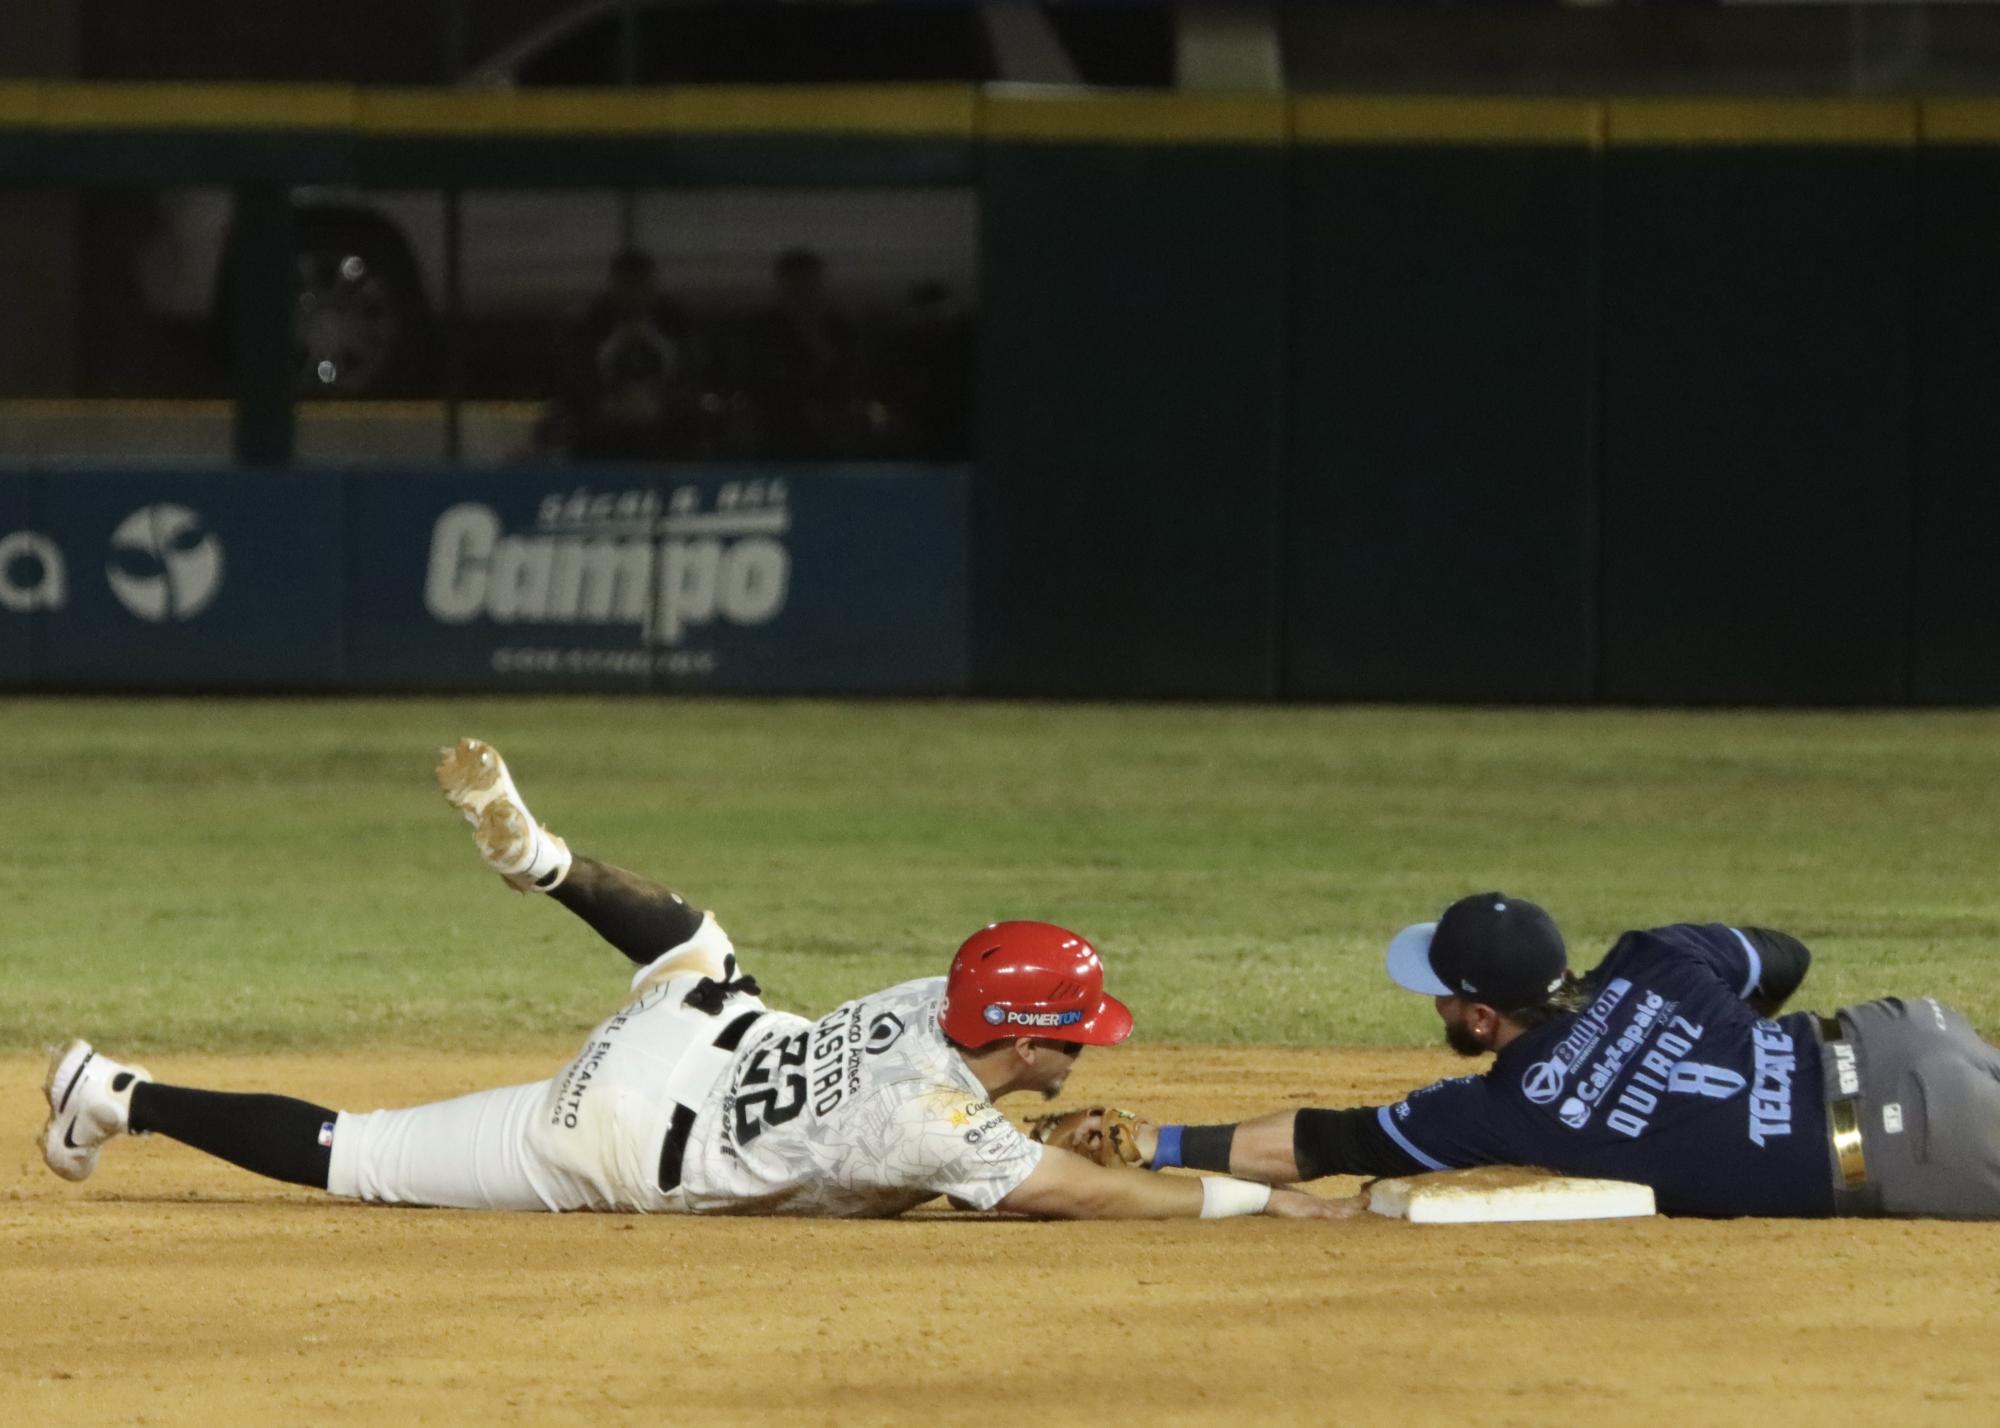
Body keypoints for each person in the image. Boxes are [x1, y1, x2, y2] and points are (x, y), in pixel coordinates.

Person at [40, 740, 1335, 1223]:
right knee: (357, 1155)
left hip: (699, 1033)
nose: (1088, 1052)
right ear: (1024, 1038)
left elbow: (975, 1130)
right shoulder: (938, 1124)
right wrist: (1236, 1203)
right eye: (1077, 1034)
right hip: (613, 1139)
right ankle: (122, 1092)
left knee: (703, 947)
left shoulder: (924, 1005)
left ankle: (547, 863)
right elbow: (1071, 1195)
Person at [1124, 892, 2000, 1219]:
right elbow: (1785, 958)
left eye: (1440, 993)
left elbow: (1314, 1145)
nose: (1433, 1004)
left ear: (1476, 1017)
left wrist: (1155, 1143)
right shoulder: (1657, 957)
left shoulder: (1501, 1109)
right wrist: (1734, 1050)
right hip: (1905, 1033)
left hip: (1912, 1145)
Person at [564, 248, 707, 460]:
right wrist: (605, 404)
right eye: (626, 285)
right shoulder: (590, 324)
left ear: (652, 284)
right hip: (605, 419)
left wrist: (663, 405)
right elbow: (576, 372)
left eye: (640, 284)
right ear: (614, 285)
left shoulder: (677, 322)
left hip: (666, 418)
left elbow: (693, 371)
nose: (634, 293)